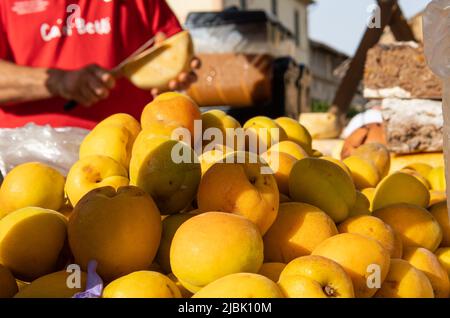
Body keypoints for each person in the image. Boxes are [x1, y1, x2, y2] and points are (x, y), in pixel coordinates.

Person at [0, 0, 199, 130]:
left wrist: (174, 74)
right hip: (24, 155)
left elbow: (171, 45)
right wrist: (61, 82)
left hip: (128, 151)